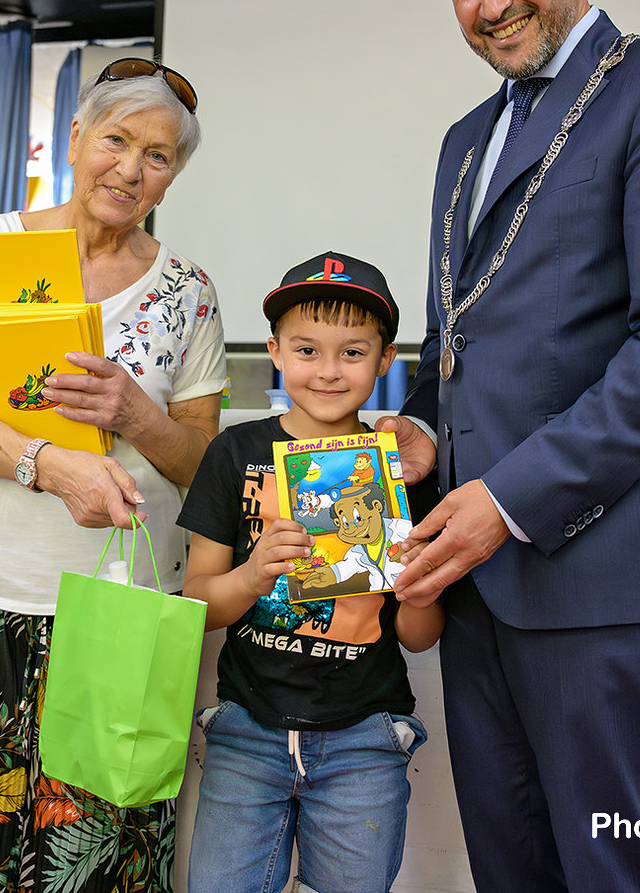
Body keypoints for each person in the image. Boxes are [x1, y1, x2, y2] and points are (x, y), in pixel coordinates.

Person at [380, 0, 640, 892]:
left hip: (604, 571)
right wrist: (418, 432)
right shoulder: (465, 141)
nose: (490, 2)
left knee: (610, 872)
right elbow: (447, 350)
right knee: (510, 871)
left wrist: (504, 499)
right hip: (474, 583)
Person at [0, 59, 225, 893]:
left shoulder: (188, 292)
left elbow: (204, 466)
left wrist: (135, 415)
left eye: (157, 156)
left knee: (94, 853)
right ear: (75, 138)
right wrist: (49, 465)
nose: (130, 168)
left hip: (119, 612)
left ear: (174, 176)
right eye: (115, 140)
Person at [180, 252, 444, 893]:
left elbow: (418, 635)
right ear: (274, 351)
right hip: (247, 731)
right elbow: (198, 603)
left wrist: (416, 585)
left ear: (386, 360)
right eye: (307, 350)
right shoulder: (235, 453)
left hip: (366, 737)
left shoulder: (402, 470)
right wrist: (250, 576)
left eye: (353, 353)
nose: (328, 372)